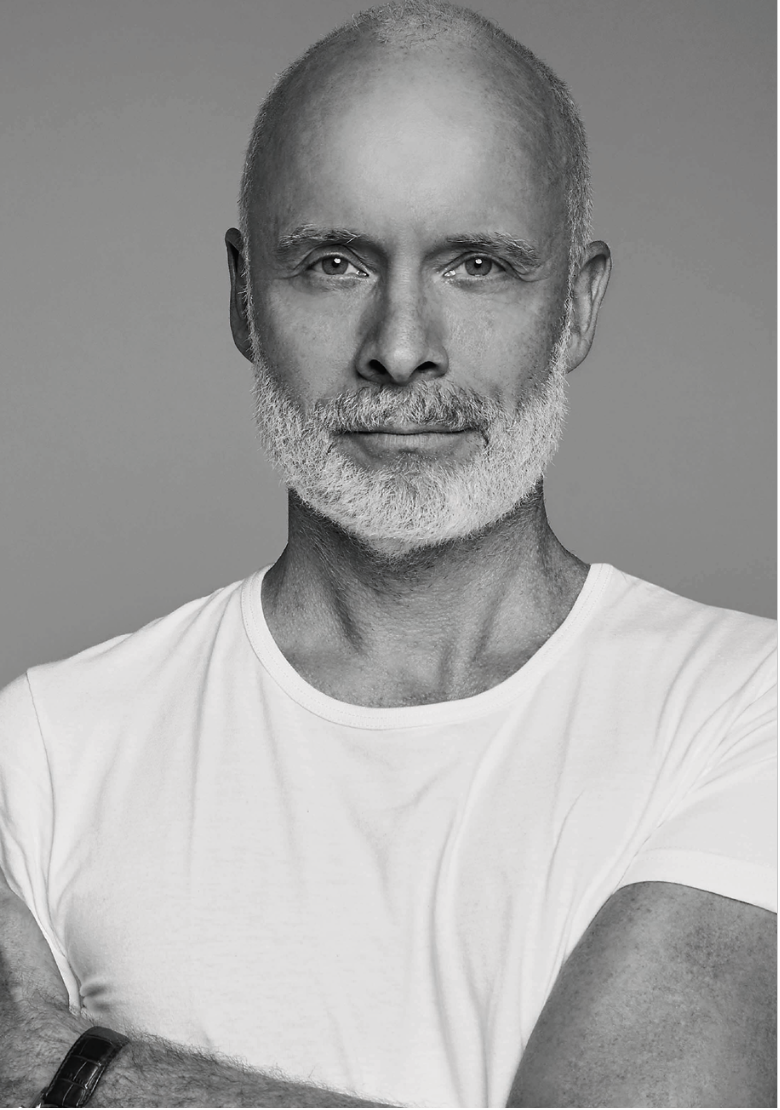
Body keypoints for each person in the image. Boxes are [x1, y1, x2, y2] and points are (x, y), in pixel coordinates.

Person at [0, 1, 775, 1106]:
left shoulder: (746, 708)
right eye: (334, 264)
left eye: (477, 265)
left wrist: (64, 1066)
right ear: (242, 298)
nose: (402, 349)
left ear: (577, 306)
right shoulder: (45, 750)